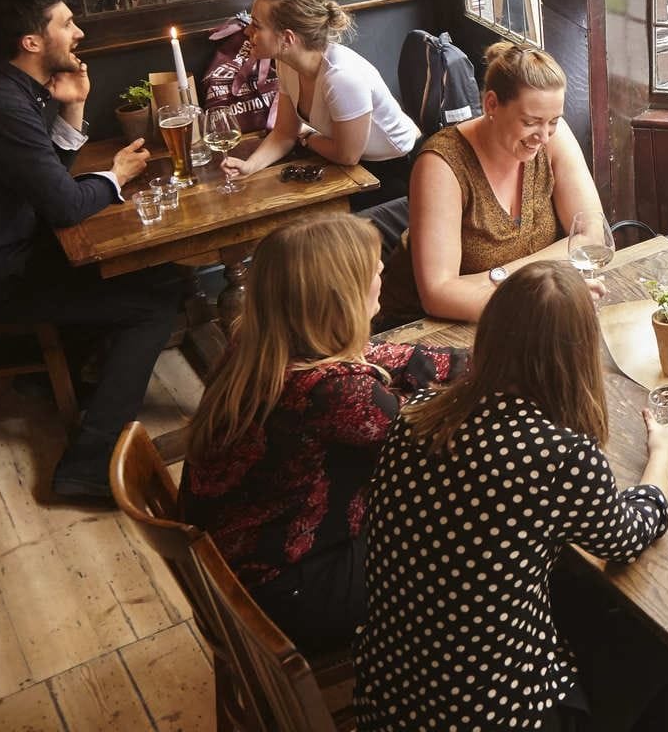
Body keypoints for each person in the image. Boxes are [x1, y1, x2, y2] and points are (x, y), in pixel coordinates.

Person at [354, 261, 668, 731]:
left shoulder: (417, 415)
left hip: (391, 697)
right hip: (501, 714)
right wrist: (661, 456)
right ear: (579, 352)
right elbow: (630, 535)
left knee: (581, 594)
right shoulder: (559, 457)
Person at [0, 0, 174, 500]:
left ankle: (77, 380)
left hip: (7, 249)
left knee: (164, 275)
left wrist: (74, 108)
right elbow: (61, 205)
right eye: (65, 23)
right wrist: (117, 176)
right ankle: (88, 468)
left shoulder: (4, 90)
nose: (78, 32)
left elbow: (47, 183)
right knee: (154, 305)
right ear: (32, 42)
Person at [179, 213, 464, 654]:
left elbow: (372, 352)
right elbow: (437, 442)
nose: (382, 273)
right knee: (470, 537)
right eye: (373, 270)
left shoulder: (258, 342)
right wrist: (494, 373)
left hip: (235, 565)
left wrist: (460, 362)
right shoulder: (333, 392)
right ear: (339, 301)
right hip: (288, 592)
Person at [378, 42, 601, 322]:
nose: (544, 136)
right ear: (491, 104)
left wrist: (504, 278)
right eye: (531, 122)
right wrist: (539, 295)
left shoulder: (552, 137)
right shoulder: (442, 163)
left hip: (510, 314)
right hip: (423, 328)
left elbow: (592, 237)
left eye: (554, 121)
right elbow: (438, 294)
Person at [219, 0, 419, 204]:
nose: (247, 31)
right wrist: (249, 166)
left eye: (256, 25)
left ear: (287, 39)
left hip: (397, 173)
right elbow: (285, 132)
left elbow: (347, 156)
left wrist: (306, 136)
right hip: (353, 165)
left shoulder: (341, 78)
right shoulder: (286, 63)